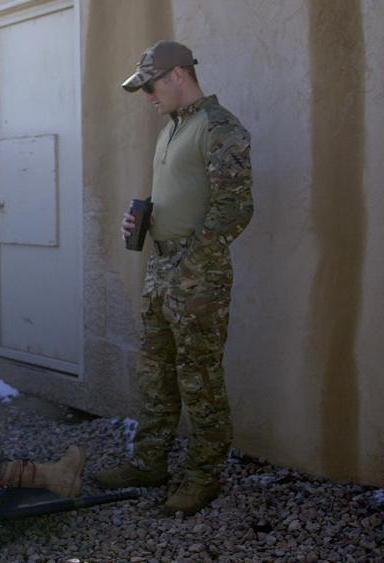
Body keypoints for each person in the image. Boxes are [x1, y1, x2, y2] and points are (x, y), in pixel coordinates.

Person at [97, 40, 254, 516]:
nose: (148, 95)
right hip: (162, 268)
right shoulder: (172, 131)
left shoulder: (220, 127)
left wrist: (192, 261)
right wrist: (143, 224)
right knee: (156, 373)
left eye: (151, 85)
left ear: (178, 75)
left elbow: (236, 209)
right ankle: (150, 462)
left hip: (197, 276)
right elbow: (181, 199)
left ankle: (203, 477)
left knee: (199, 379)